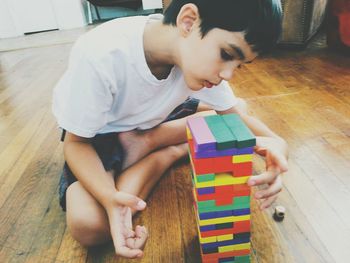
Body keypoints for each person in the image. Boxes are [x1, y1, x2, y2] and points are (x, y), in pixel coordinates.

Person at [52, 0, 288, 259]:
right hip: (101, 133)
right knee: (90, 226)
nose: (229, 74)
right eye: (227, 55)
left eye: (239, 65)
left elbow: (246, 124)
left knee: (232, 106)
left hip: (157, 114)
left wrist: (278, 147)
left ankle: (157, 142)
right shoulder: (101, 54)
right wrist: (109, 197)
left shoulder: (198, 58)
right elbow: (76, 144)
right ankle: (172, 147)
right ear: (188, 21)